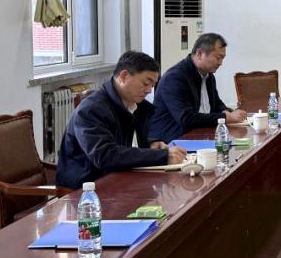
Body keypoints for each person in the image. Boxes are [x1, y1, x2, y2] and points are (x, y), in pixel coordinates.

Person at [57, 51, 187, 189]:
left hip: (121, 179)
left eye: (153, 85)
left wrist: (150, 145)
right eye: (145, 83)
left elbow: (122, 143)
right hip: (88, 190)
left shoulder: (136, 106)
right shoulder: (90, 110)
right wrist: (162, 156)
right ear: (124, 76)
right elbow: (106, 155)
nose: (149, 90)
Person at [149, 33, 246, 143]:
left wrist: (227, 111)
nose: (220, 63)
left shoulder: (208, 76)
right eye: (218, 58)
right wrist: (226, 117)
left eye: (222, 58)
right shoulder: (175, 77)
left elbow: (216, 104)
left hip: (200, 135)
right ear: (200, 54)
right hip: (172, 141)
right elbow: (186, 118)